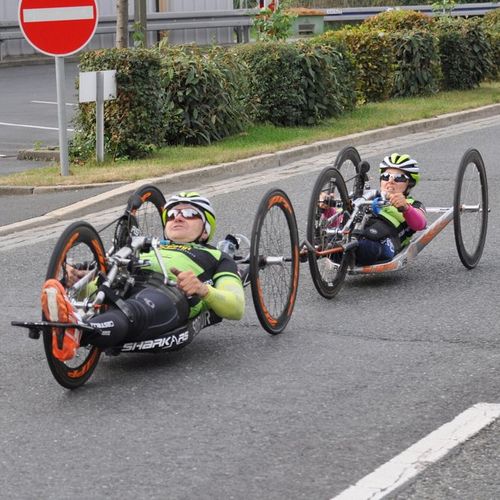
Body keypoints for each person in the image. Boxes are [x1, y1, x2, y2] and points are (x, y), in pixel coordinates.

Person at [41, 192, 245, 361]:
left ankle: (80, 331)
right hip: (123, 279)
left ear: (205, 230)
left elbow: (236, 307)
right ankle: (68, 311)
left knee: (134, 310)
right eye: (172, 214)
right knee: (93, 283)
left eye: (190, 213)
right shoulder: (146, 245)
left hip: (168, 290)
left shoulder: (216, 256)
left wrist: (203, 289)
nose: (178, 217)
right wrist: (78, 280)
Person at [354, 153, 427, 266]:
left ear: (410, 184)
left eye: (399, 177)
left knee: (369, 247)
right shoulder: (367, 197)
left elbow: (420, 224)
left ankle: (349, 251)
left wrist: (406, 208)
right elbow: (338, 219)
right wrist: (326, 207)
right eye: (386, 176)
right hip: (352, 232)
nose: (390, 180)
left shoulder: (413, 204)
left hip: (384, 240)